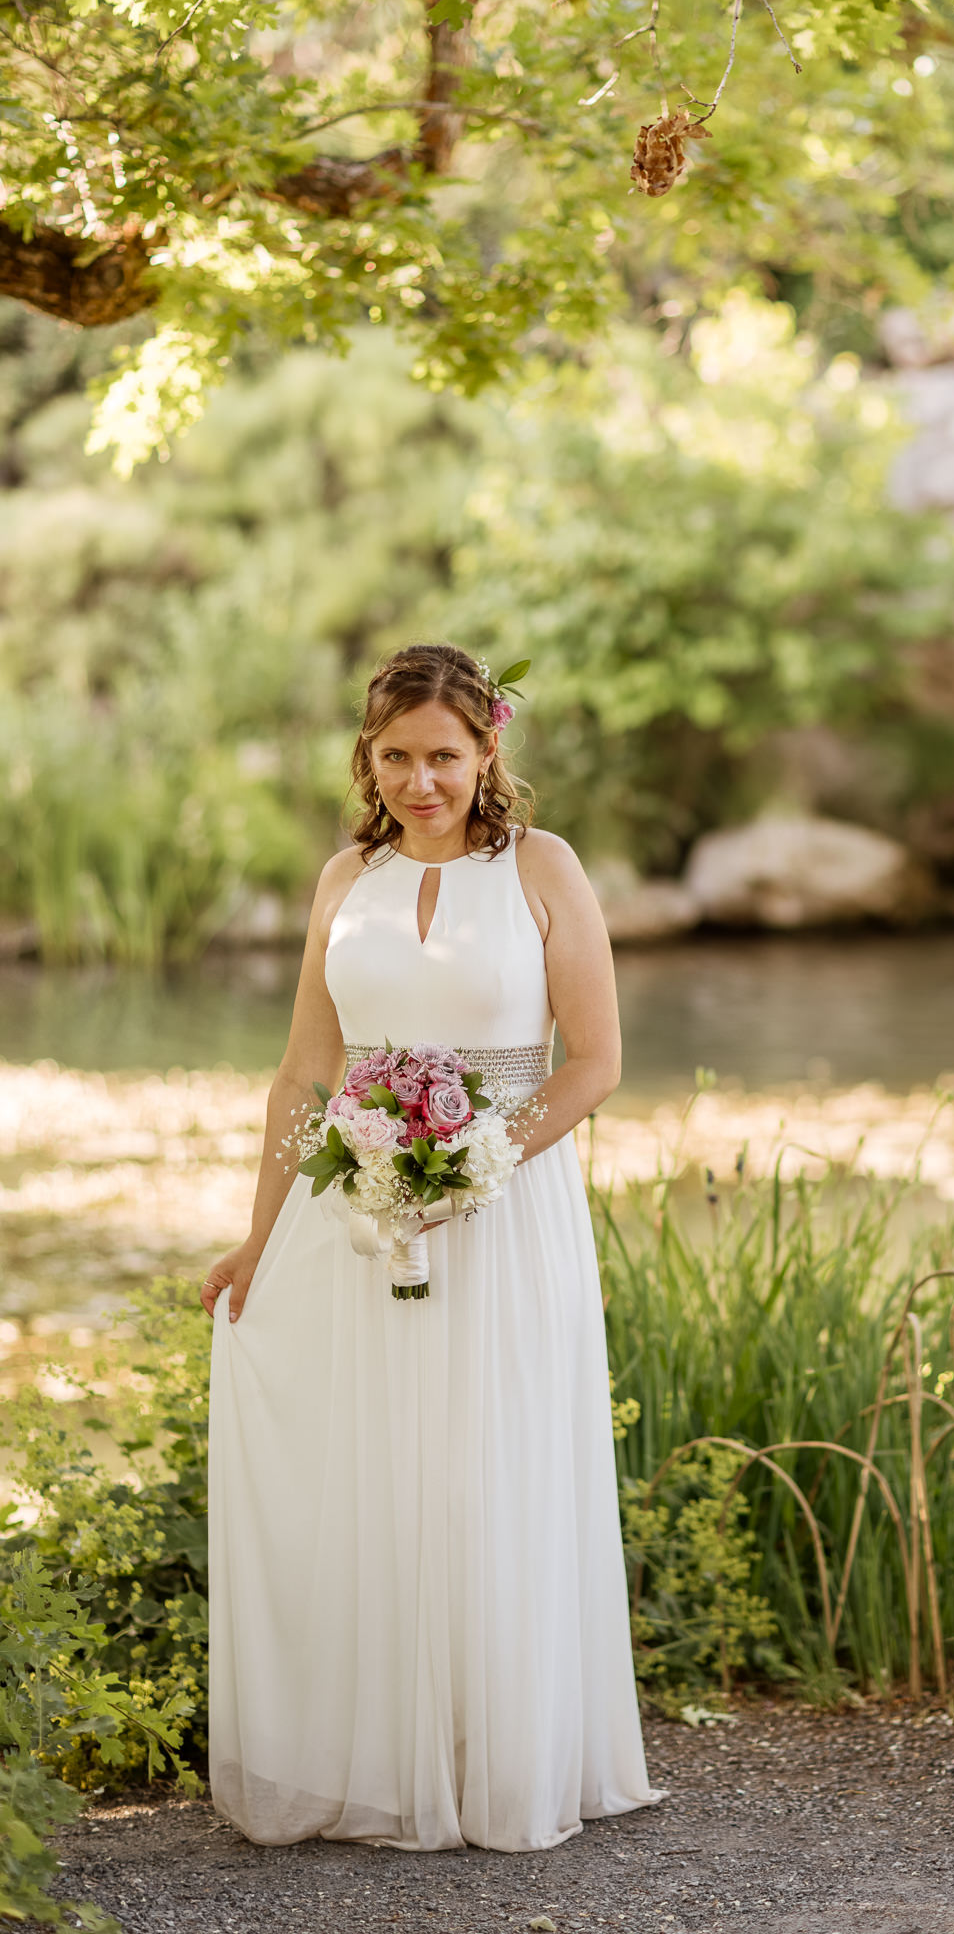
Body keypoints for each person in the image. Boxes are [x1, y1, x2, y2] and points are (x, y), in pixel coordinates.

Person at [201, 641, 660, 1852]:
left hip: (505, 1214)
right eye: (395, 756)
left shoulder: (542, 870)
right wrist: (260, 1238)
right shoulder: (341, 876)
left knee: (483, 1464)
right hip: (352, 1210)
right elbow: (305, 1070)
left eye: (443, 756)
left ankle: (493, 1754)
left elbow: (595, 1060)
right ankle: (380, 1754)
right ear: (368, 755)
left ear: (487, 748)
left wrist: (477, 1164)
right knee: (371, 1460)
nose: (420, 780)